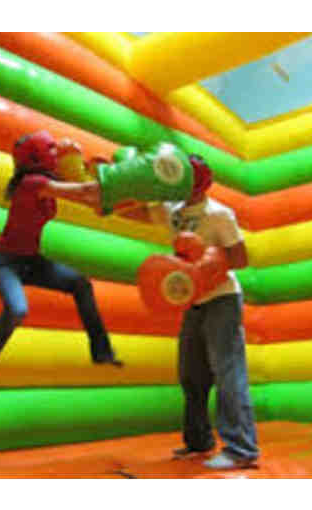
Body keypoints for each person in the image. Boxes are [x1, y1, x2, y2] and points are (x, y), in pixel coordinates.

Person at [123, 154, 259, 470]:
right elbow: (137, 212)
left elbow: (240, 258)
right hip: (193, 301)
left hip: (222, 299)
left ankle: (242, 449)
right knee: (191, 374)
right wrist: (110, 192)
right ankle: (199, 441)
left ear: (196, 183)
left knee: (227, 371)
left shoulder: (218, 214)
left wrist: (210, 258)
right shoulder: (174, 210)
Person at [0, 131, 123, 386]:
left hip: (31, 262)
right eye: (51, 151)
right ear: (37, 157)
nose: (56, 155)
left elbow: (85, 194)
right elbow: (84, 190)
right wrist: (114, 180)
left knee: (81, 284)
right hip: (6, 263)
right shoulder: (32, 183)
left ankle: (102, 352)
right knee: (17, 310)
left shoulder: (46, 181)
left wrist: (90, 176)